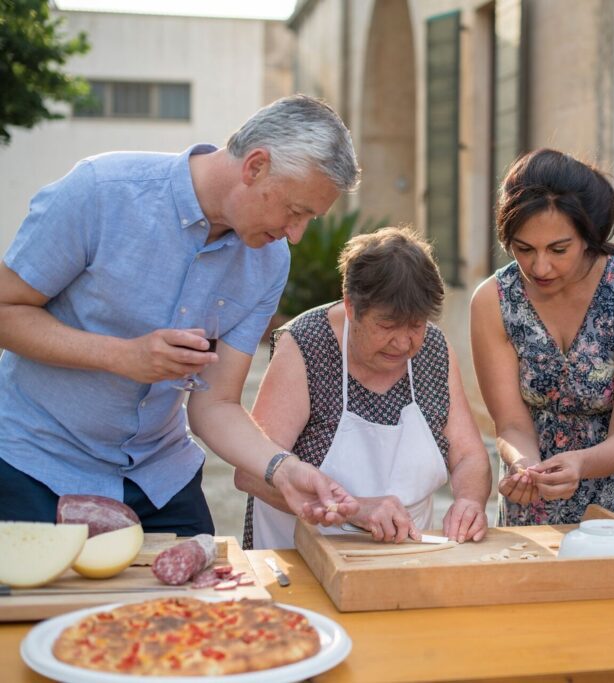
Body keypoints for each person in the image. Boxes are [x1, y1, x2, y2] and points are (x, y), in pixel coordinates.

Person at [0, 95, 361, 535]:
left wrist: (282, 470)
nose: (297, 234)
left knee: (208, 601)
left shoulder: (270, 261)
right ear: (256, 166)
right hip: (33, 462)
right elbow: (6, 307)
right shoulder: (100, 191)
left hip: (158, 474)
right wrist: (121, 356)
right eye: (295, 211)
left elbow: (216, 404)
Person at [238, 227, 492, 549]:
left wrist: (470, 500)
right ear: (351, 306)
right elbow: (250, 473)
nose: (403, 343)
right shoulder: (306, 345)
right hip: (299, 553)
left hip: (404, 557)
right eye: (386, 326)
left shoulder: (433, 348)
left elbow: (469, 454)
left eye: (416, 326)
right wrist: (354, 509)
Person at [470, 148, 614, 527]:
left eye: (558, 249)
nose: (539, 266)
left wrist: (581, 462)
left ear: (588, 236)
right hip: (539, 483)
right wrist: (525, 465)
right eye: (523, 249)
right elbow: (511, 424)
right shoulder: (492, 301)